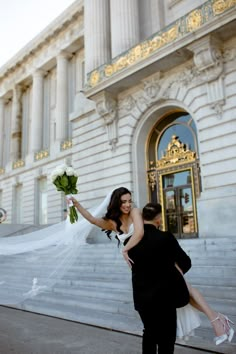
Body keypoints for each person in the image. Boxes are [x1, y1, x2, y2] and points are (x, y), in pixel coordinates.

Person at [70, 187, 234, 346]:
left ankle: (217, 322)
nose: (128, 205)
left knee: (186, 288)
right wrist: (77, 205)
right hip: (144, 266)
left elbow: (140, 232)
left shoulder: (134, 211)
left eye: (129, 200)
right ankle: (219, 320)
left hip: (156, 258)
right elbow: (92, 219)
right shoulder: (112, 223)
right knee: (184, 291)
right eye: (123, 202)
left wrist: (125, 249)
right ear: (116, 203)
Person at [128, 202, 191, 353]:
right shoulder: (165, 237)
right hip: (165, 297)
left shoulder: (129, 242)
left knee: (149, 333)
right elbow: (185, 262)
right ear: (159, 219)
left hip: (142, 297)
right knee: (167, 338)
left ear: (142, 218)